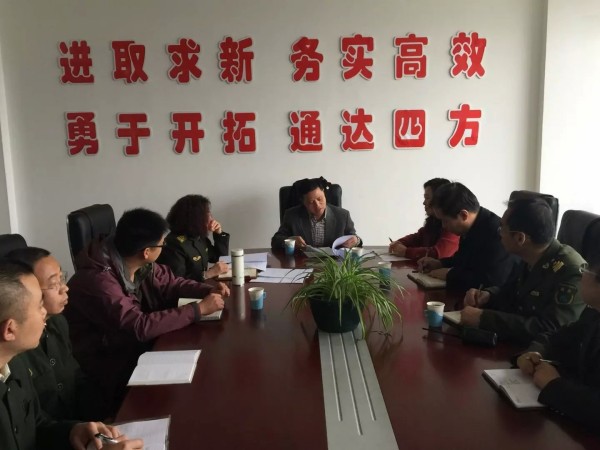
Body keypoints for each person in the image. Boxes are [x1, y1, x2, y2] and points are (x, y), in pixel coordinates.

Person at [64, 208, 229, 414]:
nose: (164, 247)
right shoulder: (99, 281)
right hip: (106, 367)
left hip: (130, 349)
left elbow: (171, 283)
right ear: (146, 252)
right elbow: (138, 326)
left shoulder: (132, 259)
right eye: (162, 244)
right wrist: (199, 309)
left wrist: (206, 289)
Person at [0, 261, 143, 450]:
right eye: (39, 306)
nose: (44, 313)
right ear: (10, 330)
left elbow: (37, 426)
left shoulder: (14, 364)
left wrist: (72, 432)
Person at [459, 197, 585, 343]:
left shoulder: (570, 271)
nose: (499, 233)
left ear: (520, 238)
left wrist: (485, 319)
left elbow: (553, 329)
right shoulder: (530, 255)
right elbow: (512, 291)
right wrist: (488, 295)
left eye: (502, 228)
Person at [7, 247, 107, 421]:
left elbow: (76, 378)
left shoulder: (58, 323)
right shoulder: (16, 347)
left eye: (62, 278)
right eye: (54, 284)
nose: (65, 288)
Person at [516, 251, 600, 432]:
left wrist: (554, 385)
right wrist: (535, 353)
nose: (581, 275)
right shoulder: (593, 312)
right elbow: (557, 337)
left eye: (586, 270)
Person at [417, 182, 518, 290]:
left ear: (463, 215)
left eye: (445, 221)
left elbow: (492, 280)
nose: (443, 226)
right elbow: (463, 259)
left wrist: (450, 274)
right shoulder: (471, 225)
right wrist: (440, 263)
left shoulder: (497, 233)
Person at [271, 177, 361, 250]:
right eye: (311, 202)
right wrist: (290, 240)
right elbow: (275, 241)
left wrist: (356, 240)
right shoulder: (292, 215)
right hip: (302, 262)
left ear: (324, 194)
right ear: (303, 202)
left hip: (334, 263)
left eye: (319, 199)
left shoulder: (343, 215)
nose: (317, 205)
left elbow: (355, 239)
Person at [157, 194, 230, 281]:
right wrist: (208, 274)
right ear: (195, 218)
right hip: (187, 290)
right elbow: (176, 281)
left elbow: (219, 258)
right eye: (207, 214)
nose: (211, 218)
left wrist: (219, 233)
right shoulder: (173, 245)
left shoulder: (198, 237)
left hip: (201, 287)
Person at [389, 178, 459, 259]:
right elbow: (417, 238)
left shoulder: (452, 224)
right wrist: (399, 243)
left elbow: (439, 253)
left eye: (427, 198)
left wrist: (406, 252)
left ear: (439, 200)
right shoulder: (433, 221)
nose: (424, 203)